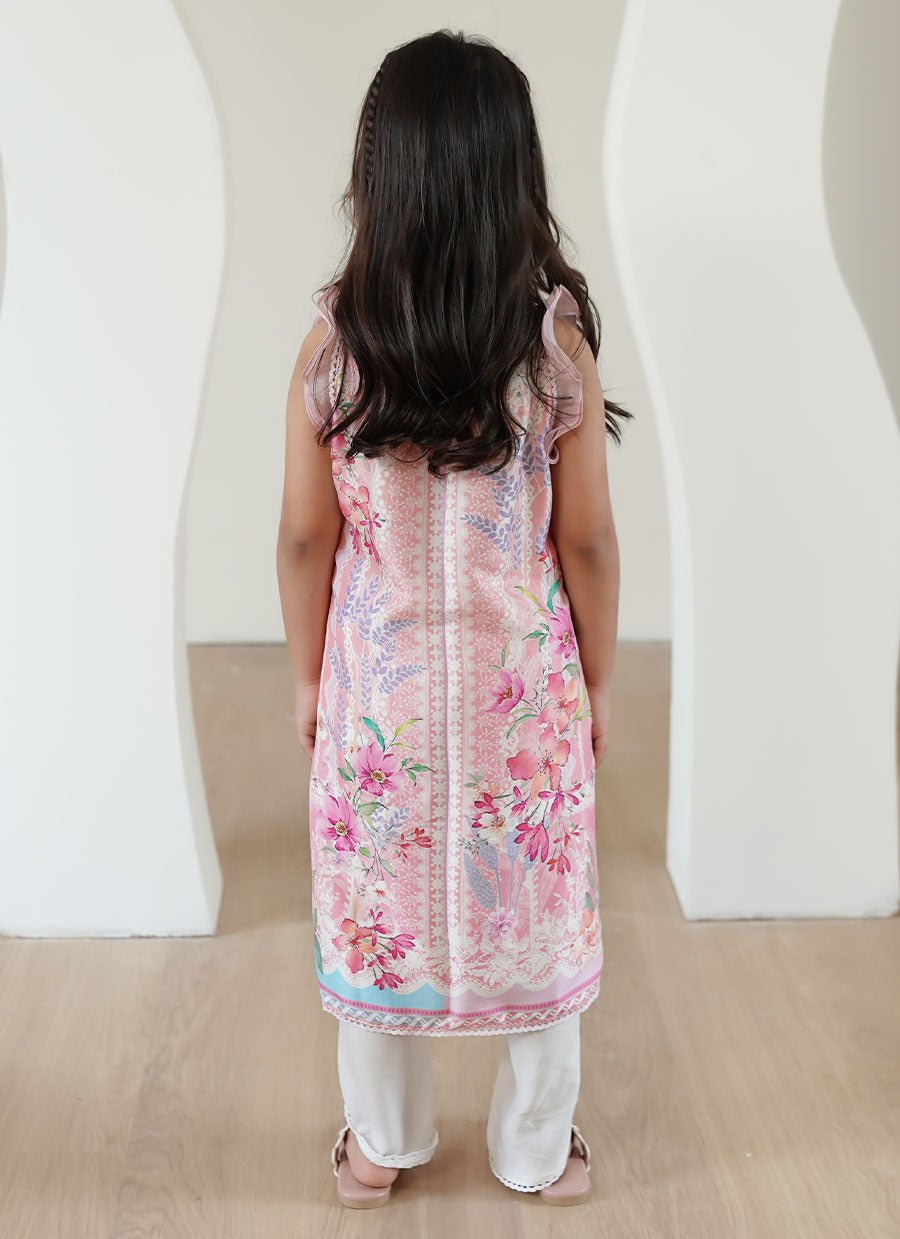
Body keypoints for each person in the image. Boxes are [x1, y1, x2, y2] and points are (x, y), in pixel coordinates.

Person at [276, 28, 630, 1209]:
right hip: (518, 706)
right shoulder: (551, 353)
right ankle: (537, 1151)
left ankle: (380, 1146)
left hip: (381, 709)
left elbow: (304, 540)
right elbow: (586, 541)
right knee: (538, 909)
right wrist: (601, 679)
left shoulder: (334, 354)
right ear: (514, 178)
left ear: (376, 178)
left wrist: (307, 678)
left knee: (378, 913)